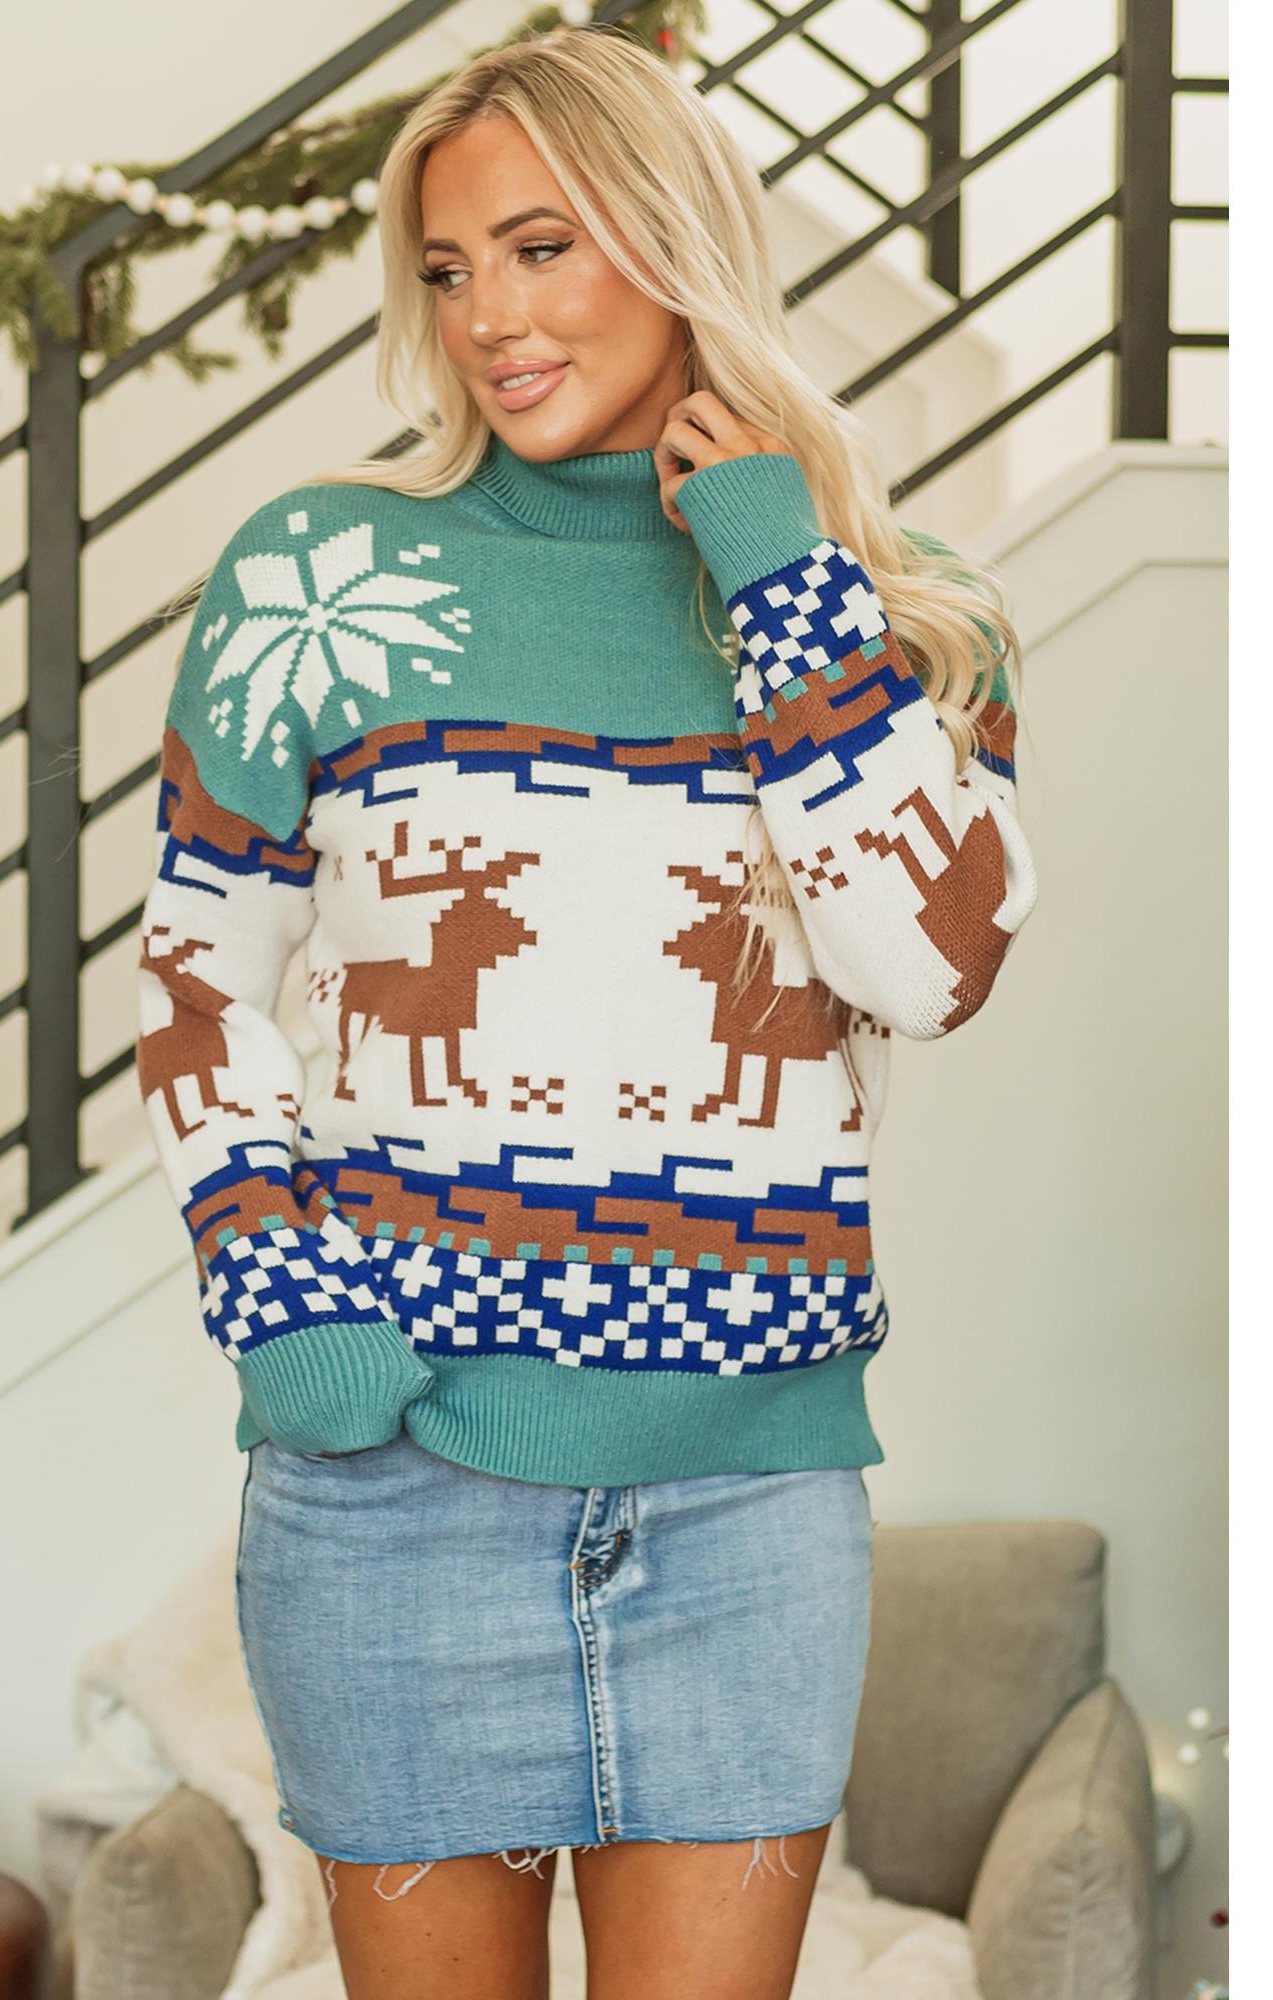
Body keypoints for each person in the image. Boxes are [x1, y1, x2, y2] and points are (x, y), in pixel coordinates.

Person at [135, 24, 1037, 2000]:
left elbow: (927, 964)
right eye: (450, 269)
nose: (490, 319)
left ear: (676, 237)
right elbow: (196, 978)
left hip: (748, 1505)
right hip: (398, 1491)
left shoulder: (904, 610)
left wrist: (778, 574)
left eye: (542, 249)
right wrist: (281, 1301)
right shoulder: (320, 575)